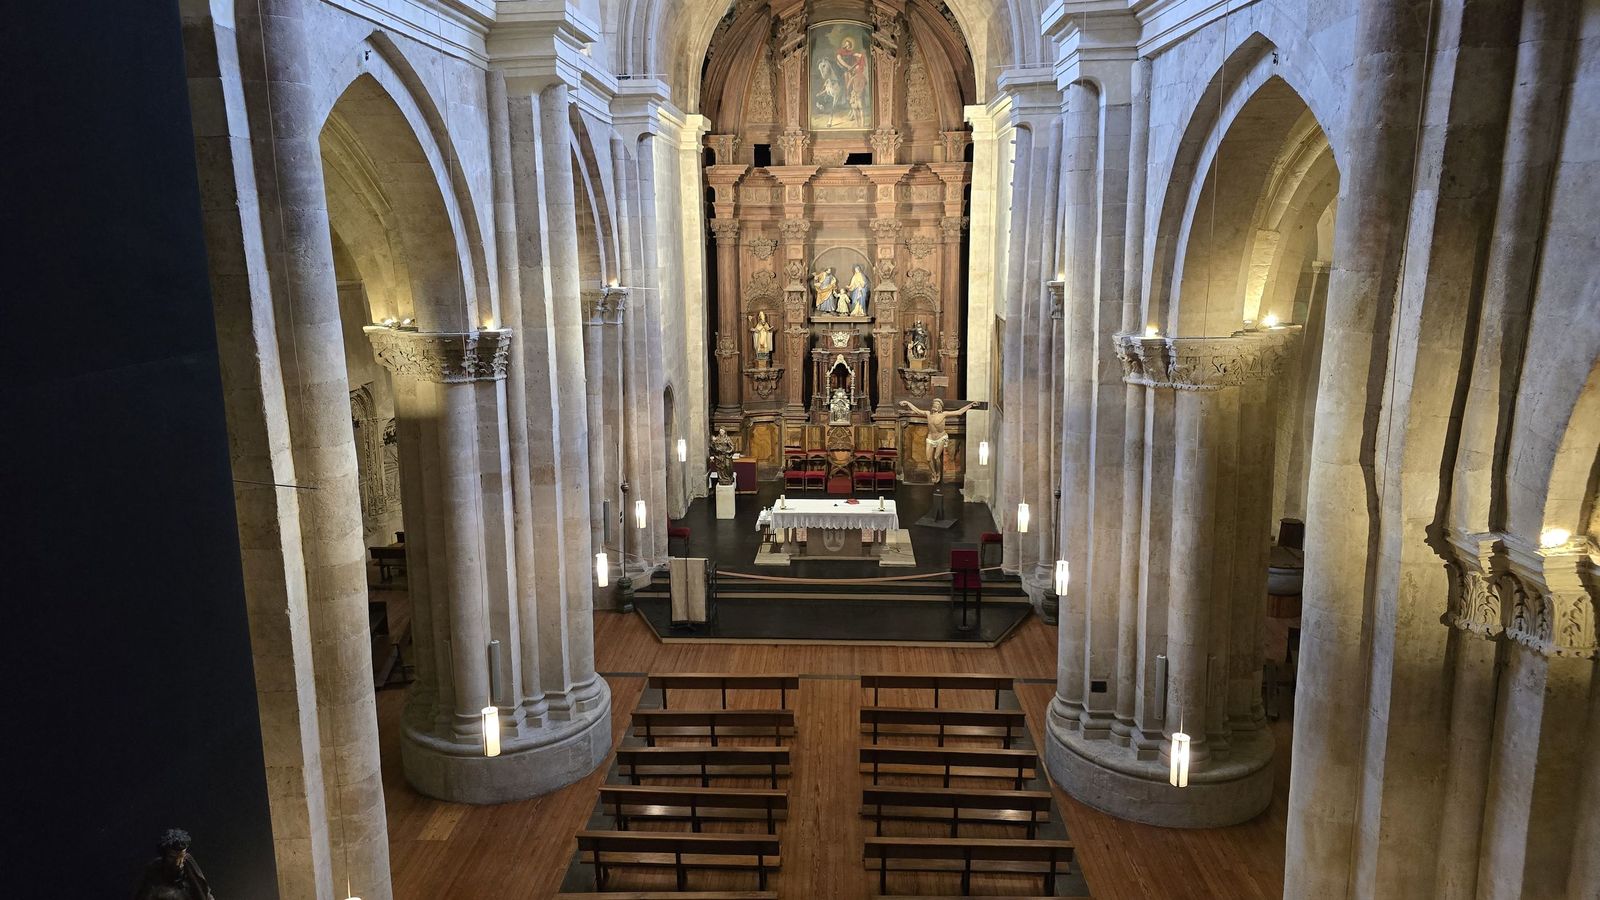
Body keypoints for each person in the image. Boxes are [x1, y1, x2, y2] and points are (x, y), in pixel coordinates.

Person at [899, 397, 980, 485]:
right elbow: (917, 410)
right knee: (928, 459)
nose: (935, 406)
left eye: (937, 405)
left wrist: (971, 405)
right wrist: (907, 402)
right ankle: (933, 472)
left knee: (936, 457)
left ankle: (938, 473)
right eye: (934, 404)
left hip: (941, 437)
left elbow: (959, 412)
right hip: (930, 438)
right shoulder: (928, 414)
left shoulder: (943, 414)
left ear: (940, 407)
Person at [134, 828, 215, 900]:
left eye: (182, 856)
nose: (178, 863)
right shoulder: (154, 869)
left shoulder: (188, 865)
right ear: (165, 855)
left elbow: (204, 893)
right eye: (172, 857)